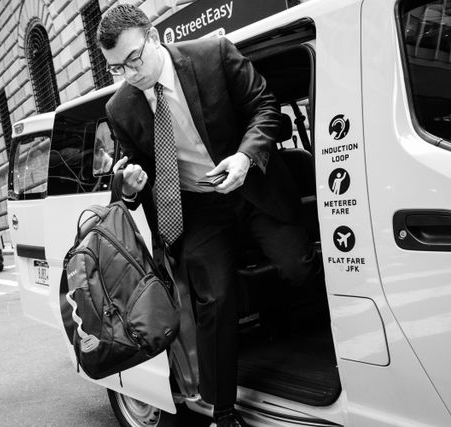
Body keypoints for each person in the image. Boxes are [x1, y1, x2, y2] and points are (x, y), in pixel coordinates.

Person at [97, 5, 321, 427]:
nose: (130, 74)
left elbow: (265, 108)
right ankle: (222, 409)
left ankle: (297, 329)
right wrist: (128, 184)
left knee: (297, 266)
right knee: (213, 301)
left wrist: (244, 157)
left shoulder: (213, 53)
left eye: (133, 59)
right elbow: (134, 167)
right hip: (198, 208)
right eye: (116, 68)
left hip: (252, 185)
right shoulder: (120, 108)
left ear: (154, 37)